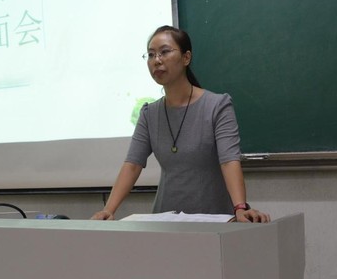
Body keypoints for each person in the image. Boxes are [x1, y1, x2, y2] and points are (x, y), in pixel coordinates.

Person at [91, 26, 269, 223]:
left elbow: (229, 161)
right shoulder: (149, 113)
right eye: (151, 55)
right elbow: (132, 165)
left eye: (164, 52)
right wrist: (109, 210)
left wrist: (240, 207)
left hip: (214, 218)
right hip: (166, 220)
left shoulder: (217, 106)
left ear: (186, 58)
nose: (157, 60)